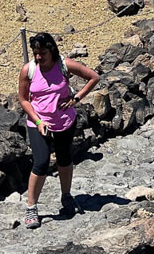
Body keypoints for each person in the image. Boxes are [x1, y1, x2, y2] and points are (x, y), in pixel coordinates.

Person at [18, 32, 99, 229]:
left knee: (64, 158)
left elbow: (93, 77)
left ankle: (66, 196)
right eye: (36, 53)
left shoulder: (63, 64)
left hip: (64, 120)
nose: (38, 57)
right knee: (41, 162)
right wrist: (38, 121)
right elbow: (23, 99)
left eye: (42, 53)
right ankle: (32, 207)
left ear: (51, 50)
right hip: (39, 121)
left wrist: (76, 98)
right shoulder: (28, 70)